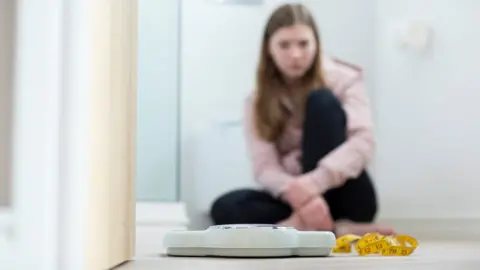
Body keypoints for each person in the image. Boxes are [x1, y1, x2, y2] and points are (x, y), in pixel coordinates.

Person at [209, 3, 395, 236]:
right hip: (295, 197)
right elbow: (265, 167)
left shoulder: (345, 79)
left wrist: (313, 183)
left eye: (303, 44)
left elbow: (363, 142)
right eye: (284, 45)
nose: (295, 54)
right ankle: (332, 229)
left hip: (344, 194)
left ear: (317, 44)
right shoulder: (256, 101)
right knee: (225, 207)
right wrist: (297, 193)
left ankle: (297, 227)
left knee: (322, 101)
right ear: (269, 49)